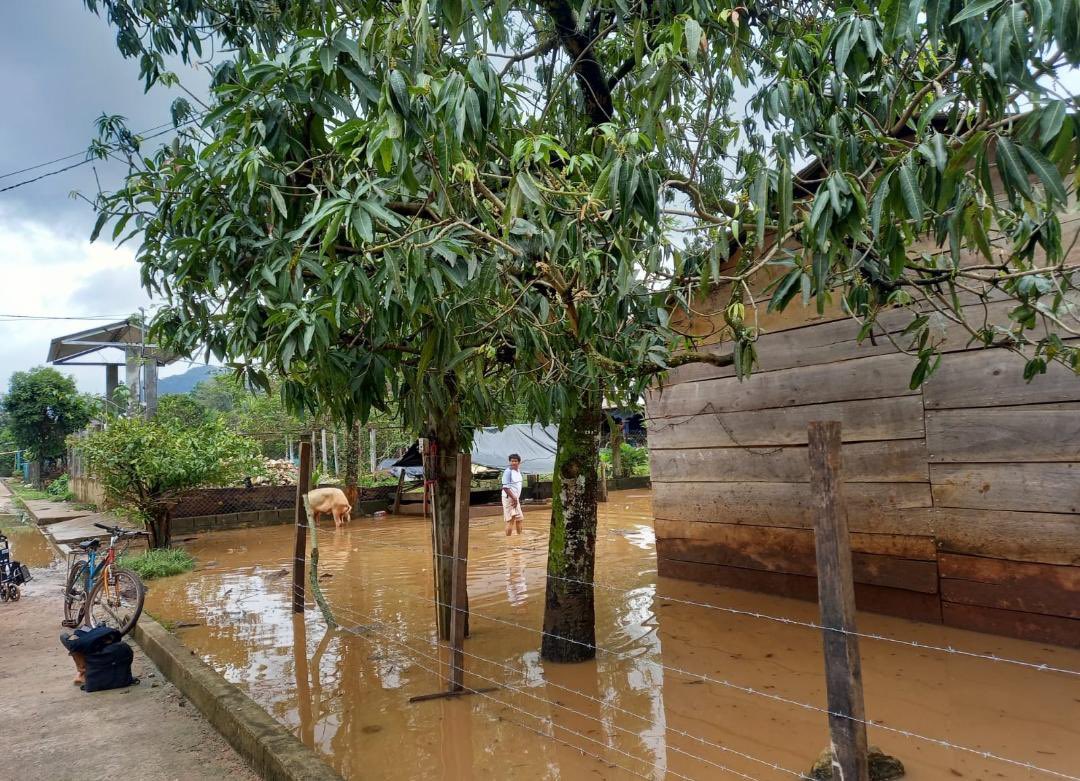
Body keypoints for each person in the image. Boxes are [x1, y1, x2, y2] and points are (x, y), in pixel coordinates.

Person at [501, 453, 524, 536]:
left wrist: (516, 498)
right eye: (512, 461)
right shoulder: (508, 472)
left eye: (515, 461)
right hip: (509, 498)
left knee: (519, 519)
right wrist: (514, 498)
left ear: (519, 462)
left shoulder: (518, 471)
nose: (514, 463)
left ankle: (519, 538)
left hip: (515, 498)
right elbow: (505, 488)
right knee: (511, 520)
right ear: (509, 462)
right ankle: (508, 541)